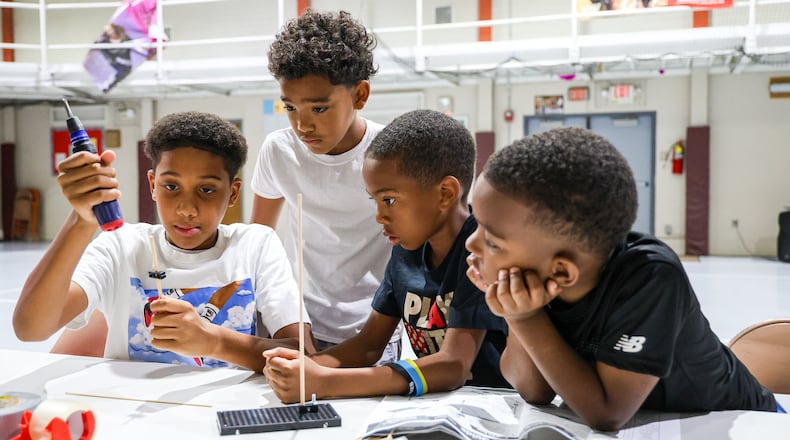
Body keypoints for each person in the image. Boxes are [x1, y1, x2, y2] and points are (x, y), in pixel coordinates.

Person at [464, 127, 779, 431]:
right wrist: (518, 316)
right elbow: (536, 392)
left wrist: (526, 317)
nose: (471, 244)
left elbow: (607, 412)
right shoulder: (538, 272)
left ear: (562, 271)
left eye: (492, 241)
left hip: (749, 423)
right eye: (477, 225)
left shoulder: (651, 276)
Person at [14, 111, 313, 371]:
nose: (187, 208)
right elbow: (30, 328)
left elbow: (302, 355)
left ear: (232, 193)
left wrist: (213, 342)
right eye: (171, 186)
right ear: (152, 185)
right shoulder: (120, 246)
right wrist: (81, 220)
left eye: (207, 190)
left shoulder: (255, 245)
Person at [262, 109, 509, 403]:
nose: (379, 216)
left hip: (493, 408)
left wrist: (327, 383)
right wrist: (307, 368)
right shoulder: (405, 252)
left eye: (389, 200)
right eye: (375, 200)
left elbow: (453, 366)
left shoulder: (480, 252)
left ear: (445, 193)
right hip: (436, 407)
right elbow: (368, 345)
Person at [250, 10, 397, 358]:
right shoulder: (278, 151)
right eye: (290, 108)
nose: (303, 126)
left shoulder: (390, 155)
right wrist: (282, 317)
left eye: (319, 109)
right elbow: (259, 244)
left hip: (373, 330)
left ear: (360, 95)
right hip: (295, 323)